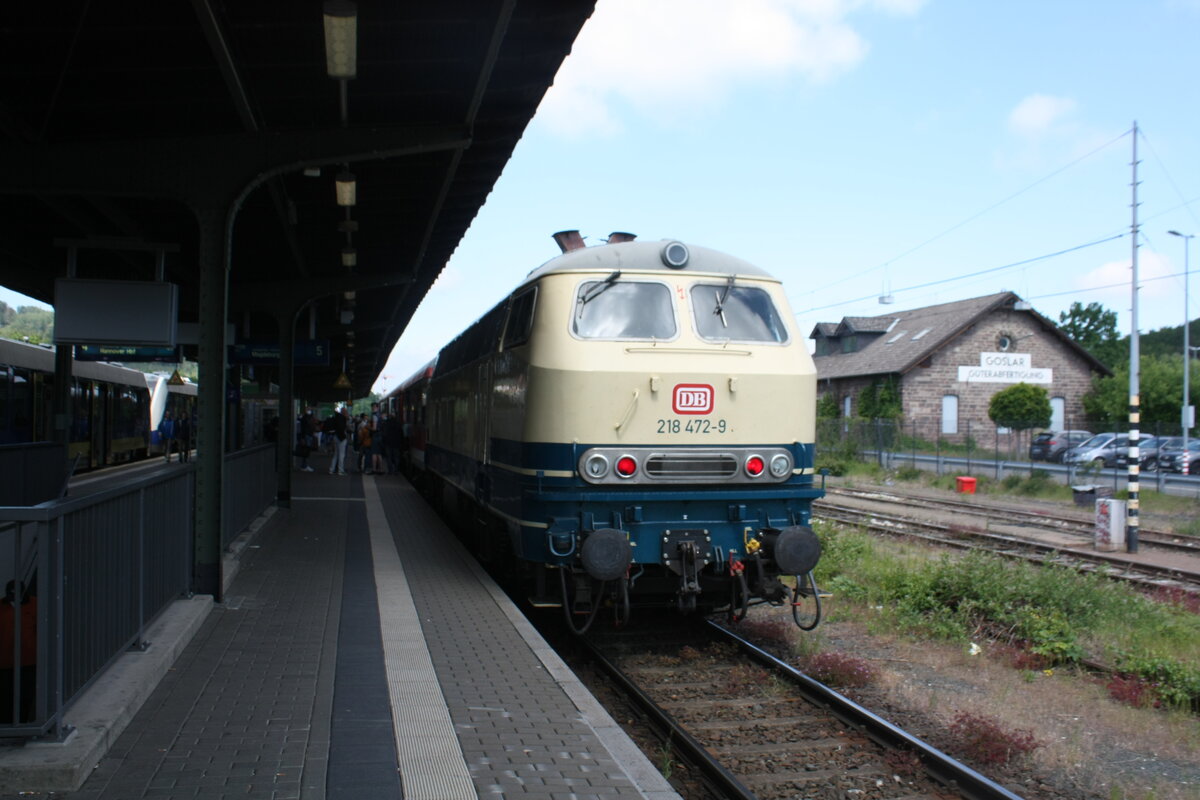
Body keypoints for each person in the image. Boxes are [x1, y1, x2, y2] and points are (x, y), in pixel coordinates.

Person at [328, 406, 348, 475]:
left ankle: (331, 469)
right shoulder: (342, 418)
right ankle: (340, 470)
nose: (347, 413)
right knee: (341, 455)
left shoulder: (337, 417)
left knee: (336, 454)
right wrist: (344, 437)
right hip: (341, 438)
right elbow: (342, 428)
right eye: (346, 412)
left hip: (336, 436)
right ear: (344, 412)